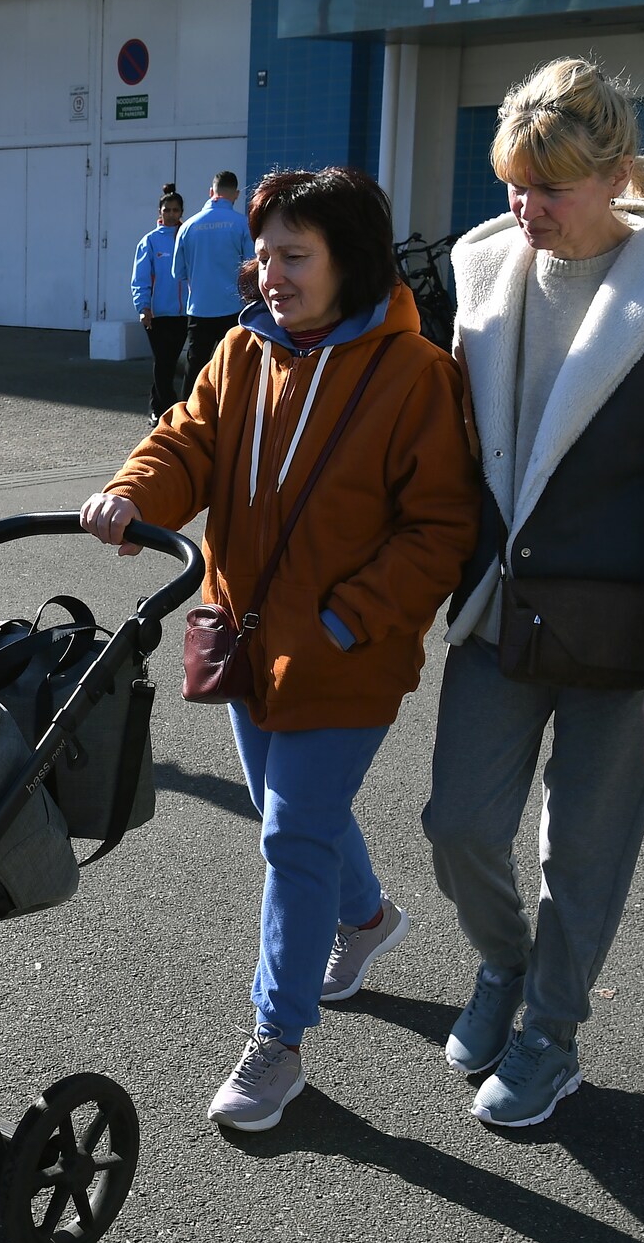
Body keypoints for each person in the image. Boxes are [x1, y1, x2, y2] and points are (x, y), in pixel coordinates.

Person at [82, 166, 476, 1132]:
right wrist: (137, 491)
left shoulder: (417, 375)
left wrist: (348, 618)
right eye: (264, 255)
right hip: (242, 631)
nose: (270, 275)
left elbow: (439, 529)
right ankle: (370, 917)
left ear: (352, 260)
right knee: (286, 807)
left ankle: (278, 1041)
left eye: (294, 256)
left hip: (346, 652)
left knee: (292, 832)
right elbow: (188, 440)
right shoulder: (242, 351)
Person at [420, 58, 644, 1129]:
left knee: (586, 852)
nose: (526, 210)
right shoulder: (485, 268)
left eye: (548, 188)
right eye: (514, 183)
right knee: (458, 823)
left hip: (627, 626)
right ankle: (501, 965)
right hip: (499, 610)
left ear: (610, 178)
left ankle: (550, 1033)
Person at [174, 169, 254, 390]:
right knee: (233, 365)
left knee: (195, 364)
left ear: (211, 191)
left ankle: (188, 416)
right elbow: (252, 266)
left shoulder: (188, 226)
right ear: (236, 194)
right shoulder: (241, 224)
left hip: (199, 308)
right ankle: (228, 414)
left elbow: (177, 273)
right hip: (233, 307)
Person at [132, 184, 188, 415]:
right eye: (167, 210)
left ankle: (155, 406)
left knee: (169, 362)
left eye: (175, 210)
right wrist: (143, 307)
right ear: (159, 212)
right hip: (157, 314)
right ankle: (170, 410)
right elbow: (141, 277)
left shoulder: (188, 236)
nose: (171, 214)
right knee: (164, 362)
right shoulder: (150, 241)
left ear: (181, 212)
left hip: (184, 313)